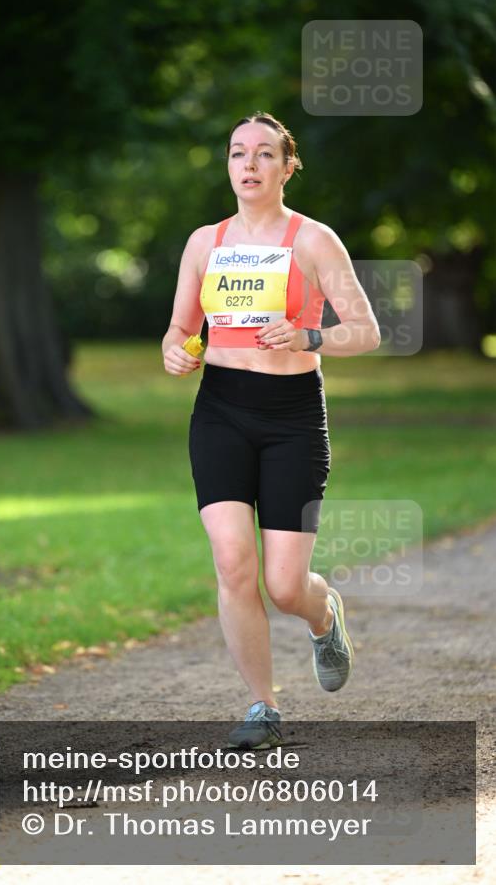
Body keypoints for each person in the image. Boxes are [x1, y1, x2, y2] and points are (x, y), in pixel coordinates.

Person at [162, 112, 381, 749]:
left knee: (285, 586)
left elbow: (365, 332)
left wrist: (309, 334)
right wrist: (178, 351)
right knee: (233, 564)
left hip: (292, 415)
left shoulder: (313, 240)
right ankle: (263, 708)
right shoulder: (206, 242)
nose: (249, 164)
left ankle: (324, 614)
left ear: (288, 167)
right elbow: (180, 329)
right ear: (228, 166)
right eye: (238, 153)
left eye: (264, 154)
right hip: (221, 409)